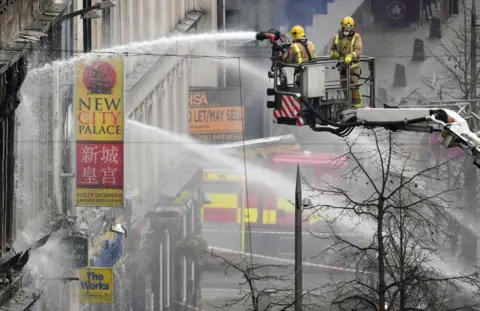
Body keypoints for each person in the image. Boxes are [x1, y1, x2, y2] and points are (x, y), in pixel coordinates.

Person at [330, 16, 363, 108]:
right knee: (344, 87)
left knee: (354, 87)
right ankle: (348, 106)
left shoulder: (356, 37)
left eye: (350, 28)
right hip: (343, 67)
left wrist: (351, 55)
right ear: (342, 26)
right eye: (346, 27)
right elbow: (332, 49)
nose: (347, 29)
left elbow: (358, 50)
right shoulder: (337, 37)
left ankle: (357, 108)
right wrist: (334, 54)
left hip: (353, 67)